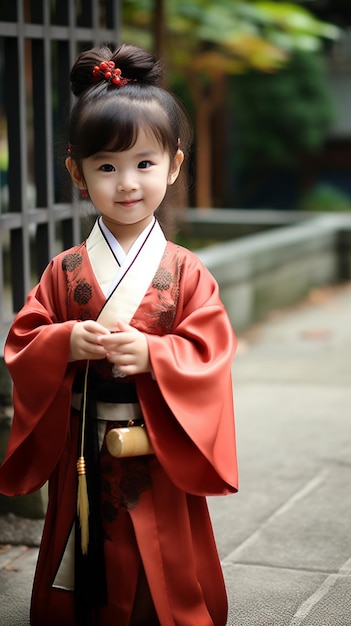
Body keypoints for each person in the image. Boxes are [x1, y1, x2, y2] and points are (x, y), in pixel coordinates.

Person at [0, 44, 238, 626]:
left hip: (155, 445)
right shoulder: (65, 270)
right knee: (84, 556)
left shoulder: (186, 271)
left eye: (144, 163)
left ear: (174, 165)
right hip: (81, 447)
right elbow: (24, 342)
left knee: (163, 570)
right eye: (106, 166)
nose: (127, 183)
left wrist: (156, 354)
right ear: (76, 173)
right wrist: (63, 343)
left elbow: (210, 353)